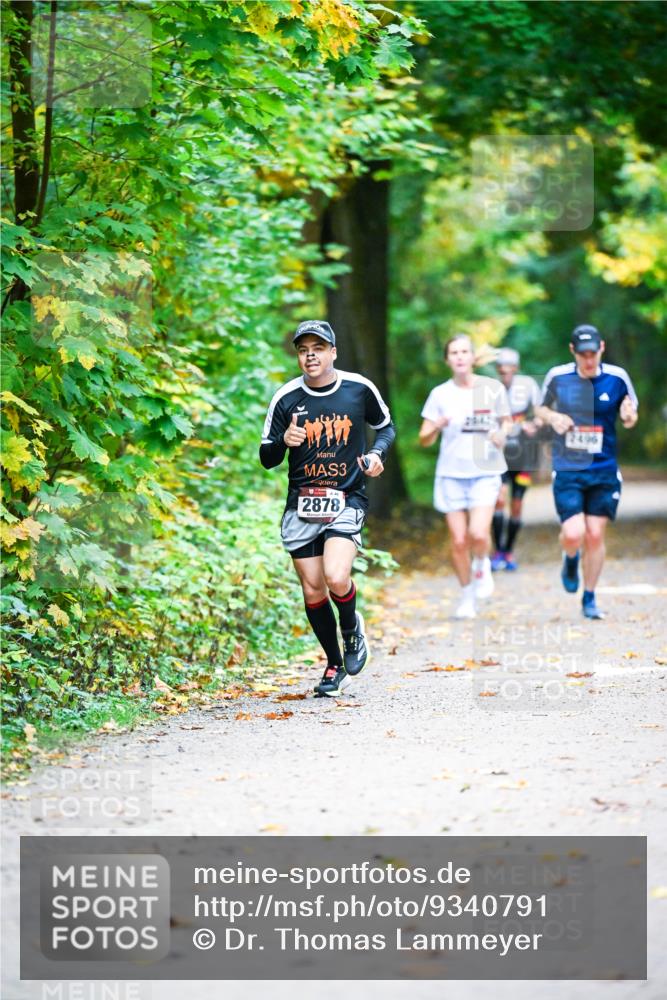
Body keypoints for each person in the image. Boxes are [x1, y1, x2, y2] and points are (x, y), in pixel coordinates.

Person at [260, 320, 396, 696]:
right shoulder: (285, 398)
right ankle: (334, 664)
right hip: (301, 505)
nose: (310, 356)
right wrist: (284, 441)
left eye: (318, 348)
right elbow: (266, 457)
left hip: (346, 498)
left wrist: (376, 454)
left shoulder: (358, 389)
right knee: (313, 591)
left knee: (337, 576)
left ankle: (352, 630)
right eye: (303, 350)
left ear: (333, 352)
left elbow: (385, 427)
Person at [535, 324, 638, 619]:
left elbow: (630, 413)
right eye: (583, 355)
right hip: (569, 468)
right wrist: (554, 417)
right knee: (573, 533)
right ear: (573, 352)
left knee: (594, 535)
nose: (589, 360)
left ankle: (589, 597)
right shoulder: (558, 376)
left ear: (602, 348)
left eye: (593, 353)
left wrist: (629, 416)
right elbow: (540, 410)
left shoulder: (617, 378)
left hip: (604, 469)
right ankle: (570, 557)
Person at [419, 334, 512, 619]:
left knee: (478, 533)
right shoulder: (440, 394)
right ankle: (466, 595)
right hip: (451, 475)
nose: (459, 357)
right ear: (448, 360)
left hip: (485, 472)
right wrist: (436, 424)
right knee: (459, 541)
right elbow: (424, 439)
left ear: (473, 358)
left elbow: (507, 421)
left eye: (464, 352)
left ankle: (482, 563)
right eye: (454, 353)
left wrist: (501, 434)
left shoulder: (492, 388)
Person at [491, 347, 543, 571]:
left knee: (517, 503)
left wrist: (535, 424)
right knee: (500, 497)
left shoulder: (528, 385)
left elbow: (541, 412)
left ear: (516, 368)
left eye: (509, 370)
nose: (505, 374)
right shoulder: (491, 389)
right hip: (500, 453)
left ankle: (509, 552)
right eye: (501, 371)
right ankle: (498, 550)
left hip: (524, 452)